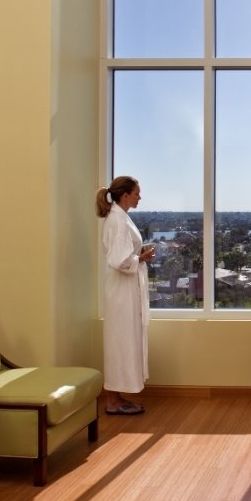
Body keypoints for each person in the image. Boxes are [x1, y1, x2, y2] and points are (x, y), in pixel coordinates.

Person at [96, 176, 154, 415]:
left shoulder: (120, 217)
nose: (140, 197)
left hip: (123, 288)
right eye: (137, 193)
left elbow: (120, 254)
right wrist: (141, 258)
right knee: (119, 342)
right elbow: (119, 260)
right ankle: (112, 401)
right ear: (125, 195)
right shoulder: (118, 221)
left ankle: (116, 396)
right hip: (121, 290)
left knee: (122, 341)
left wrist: (138, 254)